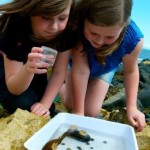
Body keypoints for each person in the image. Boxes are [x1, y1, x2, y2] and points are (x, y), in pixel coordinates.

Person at [60, 0, 146, 131]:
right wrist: (78, 112)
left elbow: (130, 71)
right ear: (85, 19)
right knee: (70, 103)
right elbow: (81, 71)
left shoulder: (134, 40)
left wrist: (132, 107)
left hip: (104, 68)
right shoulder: (77, 26)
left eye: (110, 37)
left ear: (123, 25)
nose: (99, 41)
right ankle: (61, 86)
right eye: (93, 33)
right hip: (78, 67)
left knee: (91, 112)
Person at [0, 0, 75, 117]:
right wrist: (27, 70)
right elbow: (14, 88)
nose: (54, 27)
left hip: (34, 63)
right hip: (7, 63)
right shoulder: (14, 25)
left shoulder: (67, 29)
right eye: (46, 17)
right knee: (23, 104)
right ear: (31, 11)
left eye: (62, 18)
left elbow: (59, 72)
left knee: (46, 109)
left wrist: (45, 104)